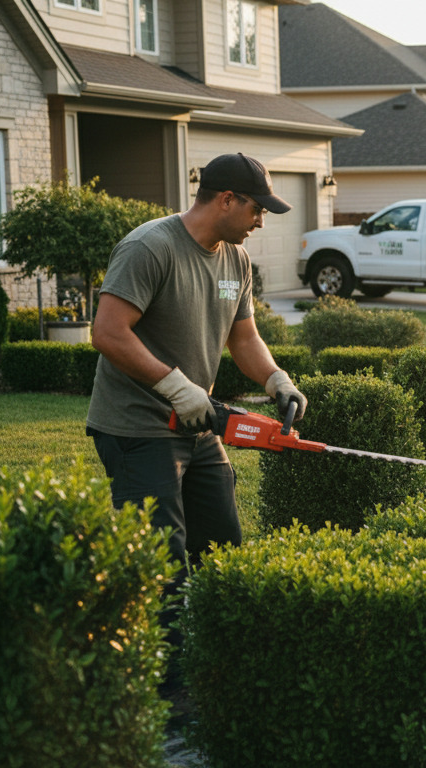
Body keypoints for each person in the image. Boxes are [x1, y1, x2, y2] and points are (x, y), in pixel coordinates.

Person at [87, 153, 308, 677]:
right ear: (226, 199)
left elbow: (243, 335)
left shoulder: (235, 259)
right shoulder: (150, 247)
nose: (262, 222)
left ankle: (219, 669)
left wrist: (276, 378)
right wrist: (172, 385)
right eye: (257, 210)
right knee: (162, 562)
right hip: (137, 427)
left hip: (197, 426)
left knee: (224, 549)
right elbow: (108, 332)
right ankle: (162, 687)